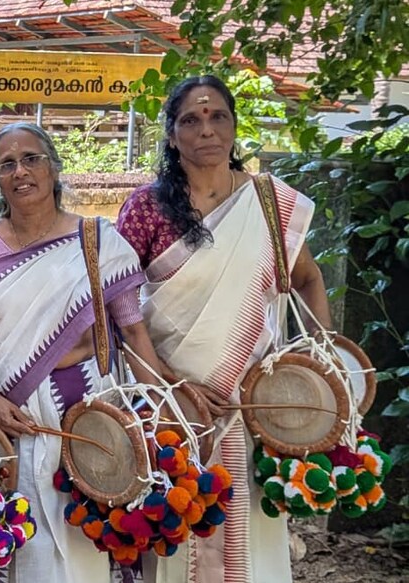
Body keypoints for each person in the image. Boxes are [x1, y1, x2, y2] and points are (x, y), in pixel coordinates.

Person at [116, 75, 331, 583]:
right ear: (171, 135)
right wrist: (167, 384)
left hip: (252, 404)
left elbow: (308, 278)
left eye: (217, 117)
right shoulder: (146, 209)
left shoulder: (270, 203)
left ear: (234, 127)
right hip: (172, 404)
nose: (205, 130)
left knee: (249, 532)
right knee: (175, 529)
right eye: (190, 119)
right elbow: (117, 310)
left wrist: (313, 366)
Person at [0, 122, 178, 583]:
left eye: (32, 158)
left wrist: (167, 409)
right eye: (7, 164)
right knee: (18, 540)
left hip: (90, 417)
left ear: (55, 169)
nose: (21, 171)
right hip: (9, 422)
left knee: (88, 539)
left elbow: (134, 335)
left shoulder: (97, 241)